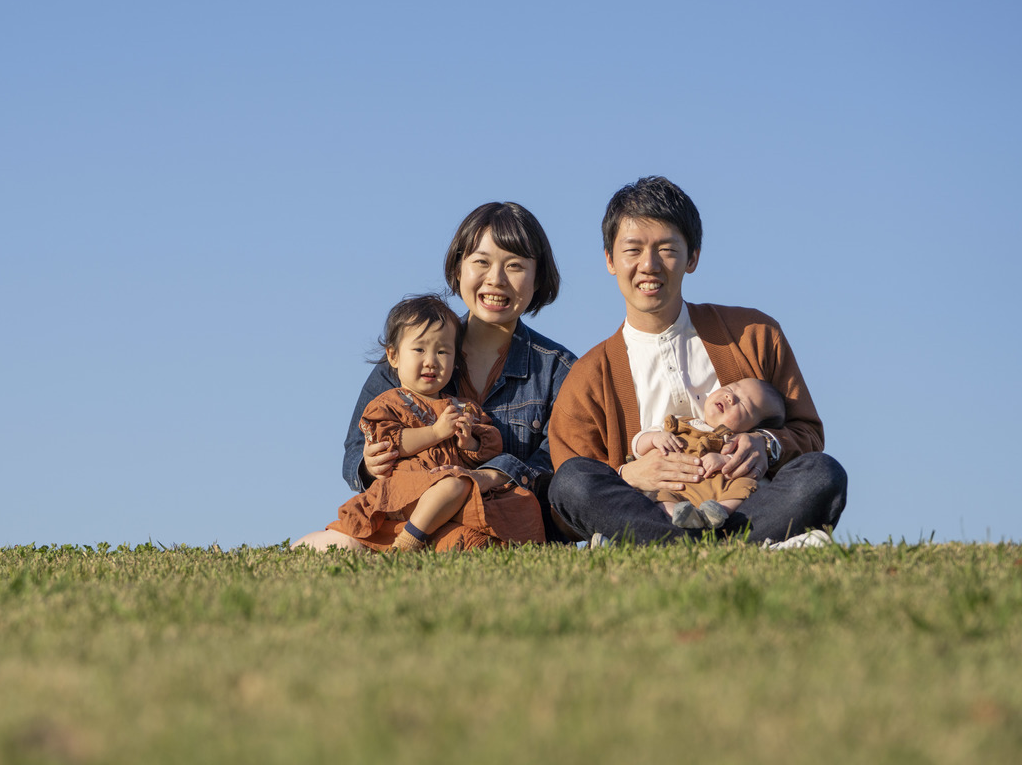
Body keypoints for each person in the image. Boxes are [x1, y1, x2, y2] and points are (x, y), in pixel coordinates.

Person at [548, 176, 847, 546]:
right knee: (571, 480)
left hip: (745, 506)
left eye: (667, 249)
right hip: (652, 511)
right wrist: (629, 473)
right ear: (610, 259)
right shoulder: (589, 376)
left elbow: (809, 436)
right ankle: (727, 547)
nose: (649, 265)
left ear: (692, 257)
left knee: (822, 473)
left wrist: (765, 445)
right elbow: (571, 494)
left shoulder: (754, 334)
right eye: (633, 250)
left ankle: (674, 550)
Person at [337, 202, 577, 543]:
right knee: (321, 545)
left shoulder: (558, 370)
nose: (496, 279)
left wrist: (489, 476)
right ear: (458, 268)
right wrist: (369, 463)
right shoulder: (410, 354)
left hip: (497, 528)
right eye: (481, 262)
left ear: (538, 277)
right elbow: (355, 449)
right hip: (402, 520)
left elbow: (561, 463)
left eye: (514, 266)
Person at [292, 295, 545, 551]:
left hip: (448, 508)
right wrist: (436, 431)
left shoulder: (461, 407)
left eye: (442, 351)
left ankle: (413, 544)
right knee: (341, 541)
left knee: (508, 508)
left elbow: (491, 447)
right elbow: (390, 442)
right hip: (404, 493)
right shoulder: (389, 402)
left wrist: (470, 441)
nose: (431, 361)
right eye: (419, 349)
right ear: (393, 356)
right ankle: (405, 544)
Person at [633, 378, 785, 529]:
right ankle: (678, 516)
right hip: (676, 488)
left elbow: (739, 462)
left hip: (718, 494)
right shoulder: (682, 423)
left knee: (747, 484)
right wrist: (655, 439)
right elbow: (637, 446)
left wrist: (723, 459)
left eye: (744, 405)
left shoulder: (734, 442)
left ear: (751, 428)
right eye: (731, 388)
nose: (730, 397)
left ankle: (719, 512)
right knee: (660, 495)